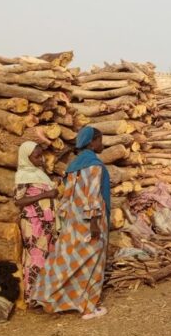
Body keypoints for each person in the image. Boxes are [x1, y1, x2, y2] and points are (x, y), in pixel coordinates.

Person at [32, 126, 110, 320]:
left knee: (67, 260)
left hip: (73, 220)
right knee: (93, 262)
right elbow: (92, 196)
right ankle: (88, 307)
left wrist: (66, 220)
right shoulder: (94, 165)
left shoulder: (73, 166)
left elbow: (66, 197)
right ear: (91, 142)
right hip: (91, 220)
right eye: (100, 140)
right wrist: (94, 224)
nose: (102, 144)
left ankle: (47, 294)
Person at [14, 141, 58, 308]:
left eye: (41, 155)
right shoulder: (22, 175)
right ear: (26, 157)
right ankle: (32, 297)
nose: (41, 159)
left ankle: (45, 294)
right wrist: (46, 194)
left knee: (48, 256)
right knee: (36, 257)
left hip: (47, 220)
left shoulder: (39, 173)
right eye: (36, 156)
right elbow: (19, 200)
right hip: (33, 221)